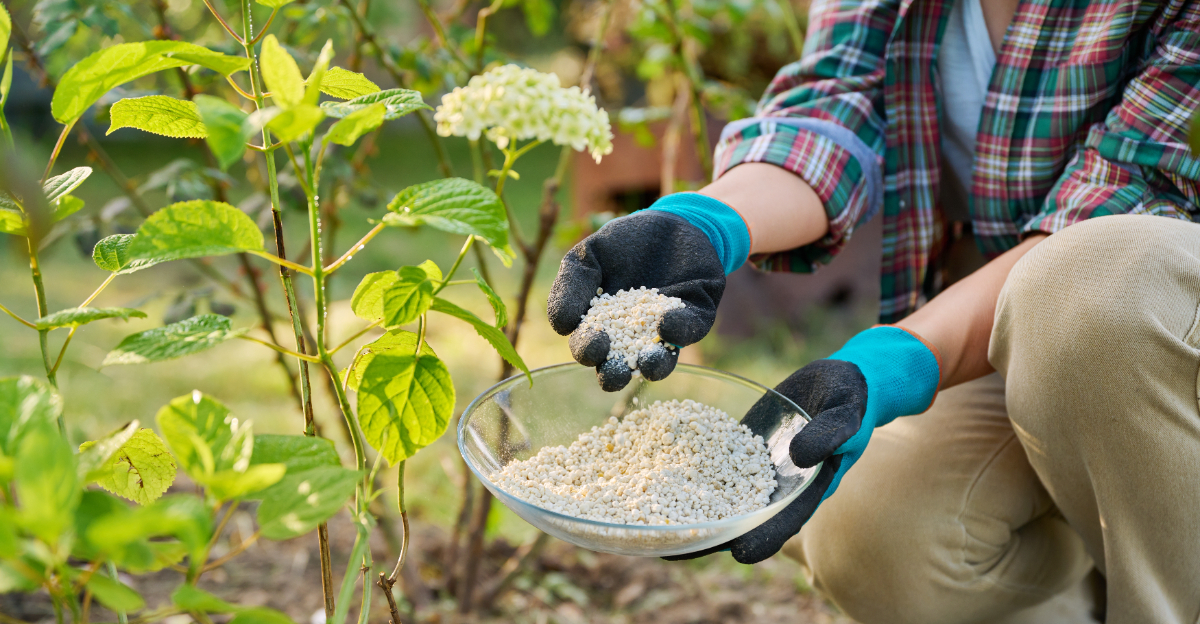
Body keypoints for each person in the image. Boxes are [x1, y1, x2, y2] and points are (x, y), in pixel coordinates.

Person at [546, 0, 1200, 620]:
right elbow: (835, 105)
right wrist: (706, 224)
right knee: (870, 537)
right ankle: (1098, 562)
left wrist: (892, 362)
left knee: (1092, 285)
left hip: (1148, 311)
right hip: (1019, 318)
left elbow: (1127, 195)